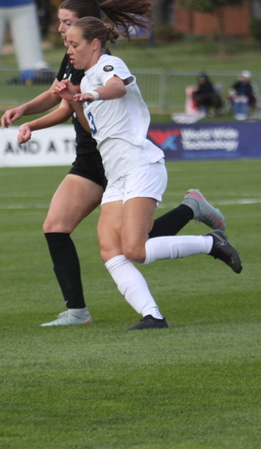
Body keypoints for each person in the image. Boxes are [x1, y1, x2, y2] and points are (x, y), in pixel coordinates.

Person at [1, 0, 226, 327]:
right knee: (69, 231)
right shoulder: (74, 59)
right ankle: (84, 311)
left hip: (120, 160)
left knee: (133, 244)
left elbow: (106, 90)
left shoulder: (103, 63)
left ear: (88, 33)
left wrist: (83, 96)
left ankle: (195, 222)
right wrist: (28, 116)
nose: (61, 30)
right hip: (95, 158)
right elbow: (64, 103)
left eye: (67, 23)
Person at [53, 17, 242, 331]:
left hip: (141, 166)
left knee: (135, 250)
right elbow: (92, 129)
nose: (68, 51)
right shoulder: (85, 81)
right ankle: (153, 316)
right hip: (117, 175)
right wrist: (75, 100)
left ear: (95, 44)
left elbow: (116, 87)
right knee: (109, 249)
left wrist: (93, 96)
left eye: (74, 44)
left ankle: (212, 243)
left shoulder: (109, 65)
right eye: (67, 45)